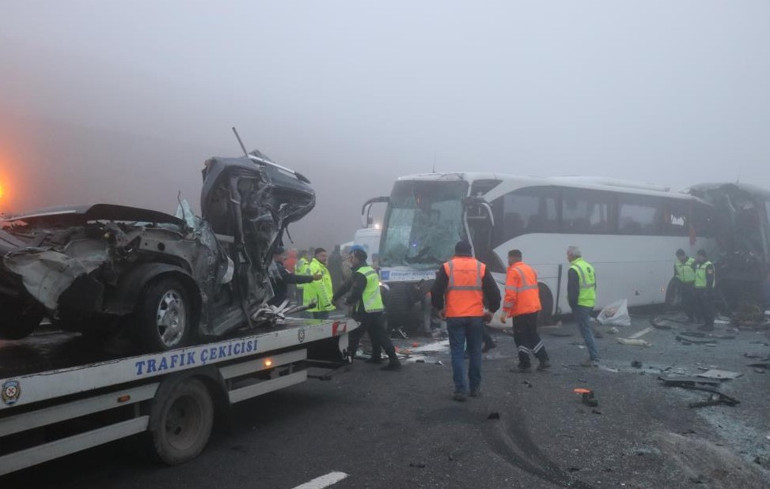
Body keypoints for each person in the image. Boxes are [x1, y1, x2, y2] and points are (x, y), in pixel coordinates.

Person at [431, 240, 501, 401]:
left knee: (457, 352)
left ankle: (460, 390)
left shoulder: (448, 267)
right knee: (475, 351)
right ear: (470, 252)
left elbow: (435, 291)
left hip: (454, 316)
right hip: (475, 317)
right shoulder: (480, 267)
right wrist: (491, 311)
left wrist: (439, 308)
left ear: (455, 252)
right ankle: (475, 388)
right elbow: (495, 294)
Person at [333, 245, 401, 371]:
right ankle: (387, 358)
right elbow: (347, 286)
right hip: (376, 309)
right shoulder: (369, 270)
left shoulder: (360, 273)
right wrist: (335, 296)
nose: (350, 259)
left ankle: (348, 363)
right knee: (378, 335)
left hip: (364, 310)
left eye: (351, 257)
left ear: (356, 257)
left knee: (354, 336)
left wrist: (346, 301)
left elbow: (355, 292)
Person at [499, 249, 550, 372]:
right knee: (532, 334)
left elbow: (511, 295)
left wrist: (505, 312)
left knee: (520, 336)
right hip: (533, 307)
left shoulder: (513, 272)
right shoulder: (530, 269)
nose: (508, 261)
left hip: (521, 309)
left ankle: (525, 364)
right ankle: (544, 359)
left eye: (508, 258)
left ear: (511, 258)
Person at [566, 245, 599, 367]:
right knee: (586, 329)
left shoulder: (574, 269)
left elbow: (573, 291)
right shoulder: (588, 266)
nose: (567, 257)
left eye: (567, 254)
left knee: (586, 331)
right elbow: (594, 285)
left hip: (581, 304)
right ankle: (594, 355)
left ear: (572, 255)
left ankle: (594, 357)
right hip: (589, 302)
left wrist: (572, 305)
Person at [306, 248, 336, 319]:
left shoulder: (321, 267)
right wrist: (327, 303)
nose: (325, 258)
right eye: (322, 256)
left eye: (326, 256)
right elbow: (319, 286)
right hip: (320, 304)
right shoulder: (316, 267)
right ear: (316, 256)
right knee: (322, 328)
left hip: (322, 303)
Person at [693, 249, 716, 331]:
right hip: (699, 290)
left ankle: (710, 325)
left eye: (698, 256)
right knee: (702, 308)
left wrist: (707, 291)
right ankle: (706, 324)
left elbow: (710, 279)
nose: (697, 258)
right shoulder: (698, 265)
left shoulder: (708, 265)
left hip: (705, 291)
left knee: (707, 308)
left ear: (703, 256)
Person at [673, 249, 696, 322]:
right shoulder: (677, 263)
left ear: (683, 255)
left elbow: (698, 273)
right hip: (683, 285)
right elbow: (676, 275)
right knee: (684, 303)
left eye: (679, 257)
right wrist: (678, 285)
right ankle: (690, 317)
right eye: (678, 257)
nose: (679, 258)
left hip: (692, 284)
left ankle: (696, 317)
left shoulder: (692, 261)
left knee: (693, 302)